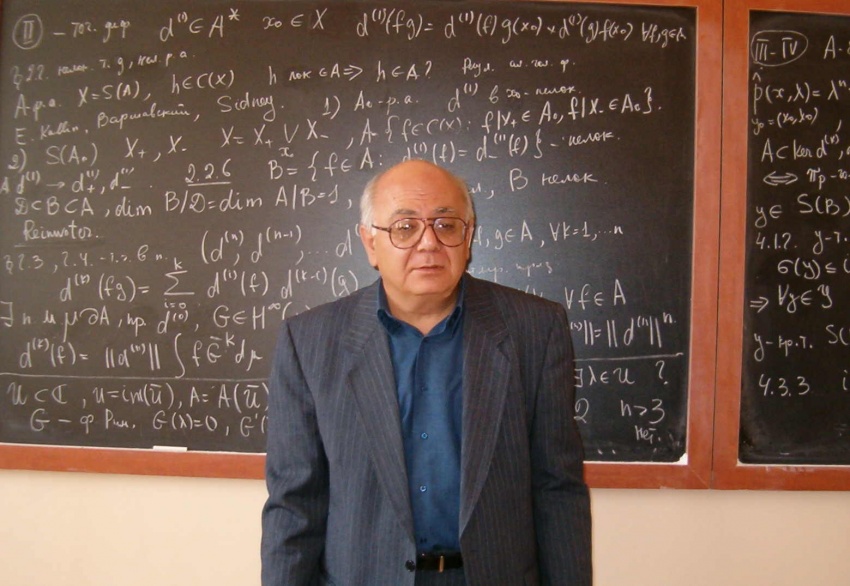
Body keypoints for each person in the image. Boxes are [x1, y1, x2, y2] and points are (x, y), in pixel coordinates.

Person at [261, 160, 592, 586]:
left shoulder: (534, 329)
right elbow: (294, 503)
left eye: (446, 225)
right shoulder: (309, 341)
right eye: (405, 227)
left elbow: (557, 489)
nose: (429, 243)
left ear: (468, 237)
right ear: (370, 243)